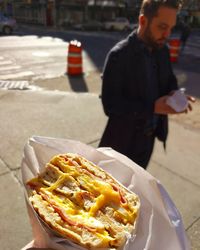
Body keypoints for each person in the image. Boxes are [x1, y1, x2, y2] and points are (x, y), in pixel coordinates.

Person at [99, 0, 195, 169]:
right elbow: (111, 105)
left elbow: (169, 80)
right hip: (120, 143)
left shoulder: (162, 50)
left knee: (135, 191)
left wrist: (176, 95)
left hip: (148, 140)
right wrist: (152, 108)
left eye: (171, 28)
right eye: (162, 27)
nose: (167, 34)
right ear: (143, 21)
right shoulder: (119, 55)